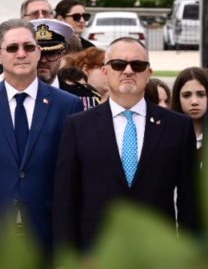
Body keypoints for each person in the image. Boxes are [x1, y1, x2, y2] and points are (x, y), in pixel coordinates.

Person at [0, 19, 83, 260]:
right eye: (13, 48)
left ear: (38, 52)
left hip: (48, 235)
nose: (21, 54)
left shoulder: (67, 104)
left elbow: (73, 178)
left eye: (28, 47)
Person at [54, 38, 201, 253]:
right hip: (96, 255)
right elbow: (66, 198)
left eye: (137, 65)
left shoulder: (178, 127)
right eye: (118, 64)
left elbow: (190, 201)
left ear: (149, 73)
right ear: (105, 72)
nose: (128, 70)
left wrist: (192, 260)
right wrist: (65, 259)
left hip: (159, 256)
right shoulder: (78, 126)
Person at [31, 18, 100, 109]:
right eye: (38, 54)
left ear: (62, 55)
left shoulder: (83, 97)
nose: (43, 60)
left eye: (51, 54)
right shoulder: (13, 95)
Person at [171, 67, 208, 150]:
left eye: (201, 94)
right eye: (186, 95)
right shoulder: (166, 135)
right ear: (178, 98)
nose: (194, 102)